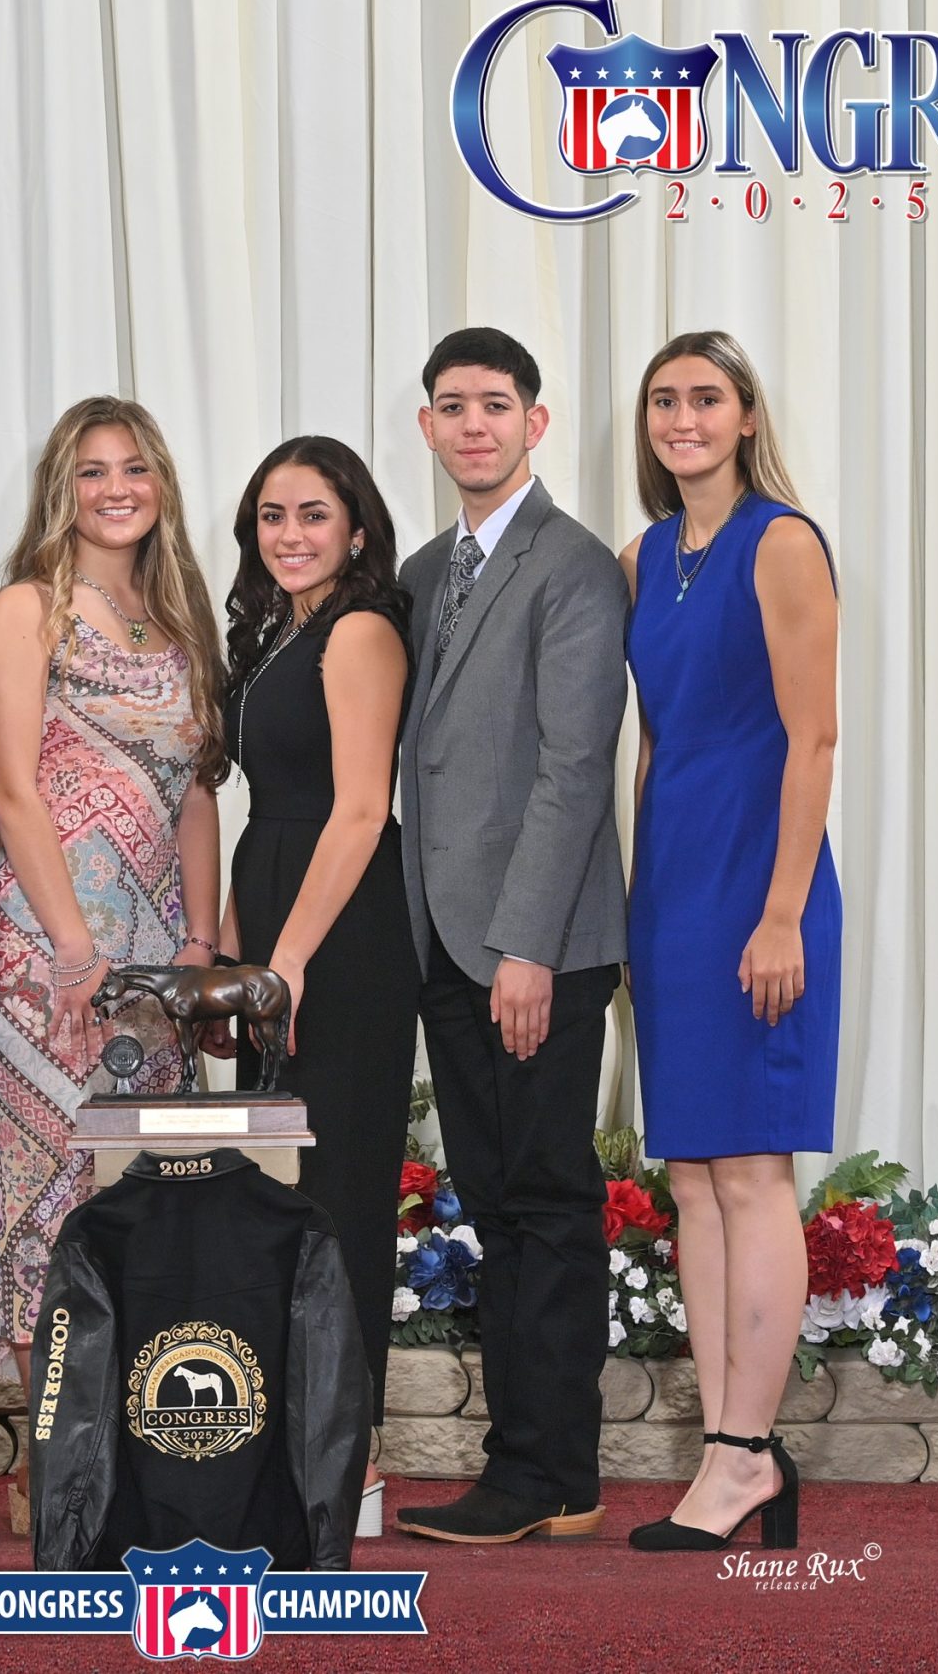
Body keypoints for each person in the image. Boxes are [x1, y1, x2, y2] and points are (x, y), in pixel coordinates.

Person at [0, 396, 227, 1527]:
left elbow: (200, 792)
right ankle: (52, 1475)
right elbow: (10, 786)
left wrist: (200, 950)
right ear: (59, 491)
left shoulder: (177, 620)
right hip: (44, 950)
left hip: (155, 967)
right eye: (89, 472)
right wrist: (73, 945)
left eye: (133, 468)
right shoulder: (28, 609)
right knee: (45, 1202)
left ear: (160, 484)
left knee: (138, 1207)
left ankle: (125, 1461)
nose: (114, 488)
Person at [390, 327, 629, 1545]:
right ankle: (542, 1465)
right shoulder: (427, 571)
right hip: (445, 945)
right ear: (425, 428)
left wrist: (527, 945)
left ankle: (545, 1473)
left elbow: (574, 768)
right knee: (499, 1200)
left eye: (494, 404)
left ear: (536, 422)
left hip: (535, 950)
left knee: (544, 1201)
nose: (472, 424)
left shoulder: (574, 566)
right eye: (450, 406)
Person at [620, 330, 839, 1554]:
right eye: (664, 400)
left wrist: (779, 912)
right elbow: (652, 745)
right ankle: (724, 1448)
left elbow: (812, 739)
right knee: (693, 1180)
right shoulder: (647, 554)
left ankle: (747, 1452)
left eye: (706, 398)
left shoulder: (783, 541)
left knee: (752, 1175)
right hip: (674, 890)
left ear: (747, 416)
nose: (683, 417)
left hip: (763, 890)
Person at [216, 435, 417, 1539]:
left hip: (341, 941)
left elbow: (356, 812)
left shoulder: (360, 630)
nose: (289, 535)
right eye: (270, 517)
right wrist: (238, 955)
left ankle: (358, 1462)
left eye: (311, 515)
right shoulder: (276, 635)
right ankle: (294, 1440)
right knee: (281, 1199)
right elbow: (267, 814)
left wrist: (286, 961)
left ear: (354, 527)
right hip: (279, 924)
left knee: (337, 1194)